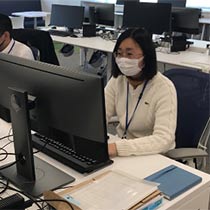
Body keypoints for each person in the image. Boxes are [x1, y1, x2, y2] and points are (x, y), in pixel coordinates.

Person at [105, 28, 177, 157]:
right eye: (119, 53)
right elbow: (100, 114)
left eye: (129, 54)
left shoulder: (164, 88)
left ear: (146, 56)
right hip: (123, 150)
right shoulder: (117, 80)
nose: (123, 59)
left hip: (153, 155)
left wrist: (117, 147)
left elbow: (163, 139)